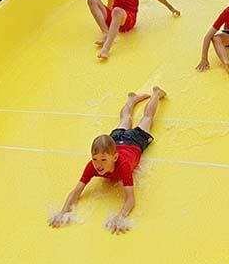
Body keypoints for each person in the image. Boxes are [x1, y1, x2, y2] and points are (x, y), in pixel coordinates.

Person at [49, 86, 166, 234]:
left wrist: (120, 216)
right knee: (125, 118)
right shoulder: (93, 165)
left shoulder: (123, 166)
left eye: (103, 160)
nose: (98, 164)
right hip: (114, 141)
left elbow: (130, 199)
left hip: (134, 142)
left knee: (147, 118)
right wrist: (63, 212)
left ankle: (156, 94)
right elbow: (76, 191)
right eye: (95, 159)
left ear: (115, 157)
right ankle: (132, 100)